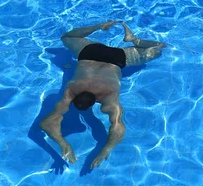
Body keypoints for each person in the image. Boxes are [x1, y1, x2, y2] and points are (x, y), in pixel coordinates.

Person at [40, 21, 166, 170]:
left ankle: (130, 38)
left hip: (115, 59)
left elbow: (47, 123)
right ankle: (129, 38)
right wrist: (103, 149)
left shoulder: (102, 95)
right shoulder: (77, 89)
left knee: (158, 49)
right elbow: (117, 126)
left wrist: (65, 144)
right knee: (158, 48)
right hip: (91, 53)